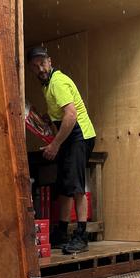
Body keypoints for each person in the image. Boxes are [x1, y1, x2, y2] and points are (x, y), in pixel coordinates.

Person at [27, 47, 96, 254]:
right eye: (35, 65)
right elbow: (59, 113)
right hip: (70, 136)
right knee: (64, 185)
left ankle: (82, 235)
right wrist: (44, 119)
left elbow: (71, 115)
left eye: (43, 63)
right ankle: (62, 232)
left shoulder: (57, 82)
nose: (40, 68)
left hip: (79, 135)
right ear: (31, 68)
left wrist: (55, 144)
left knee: (75, 187)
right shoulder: (47, 85)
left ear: (50, 60)